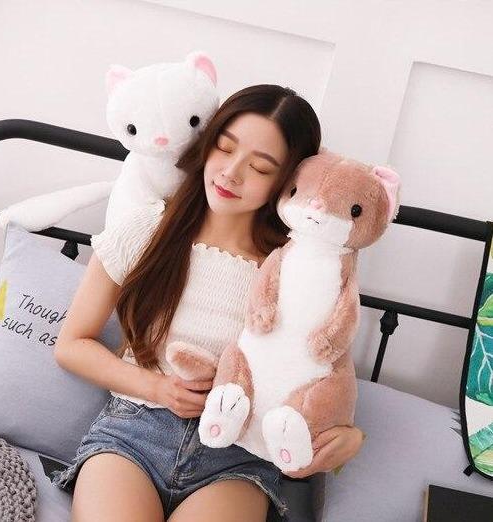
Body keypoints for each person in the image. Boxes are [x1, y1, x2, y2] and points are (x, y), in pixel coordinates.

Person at [51, 84, 365, 522]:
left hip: (235, 461)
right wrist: (156, 388)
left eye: (260, 167)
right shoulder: (147, 228)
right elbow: (71, 345)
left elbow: (325, 368)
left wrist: (349, 438)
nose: (231, 173)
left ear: (288, 180)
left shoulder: (296, 272)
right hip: (133, 433)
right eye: (225, 147)